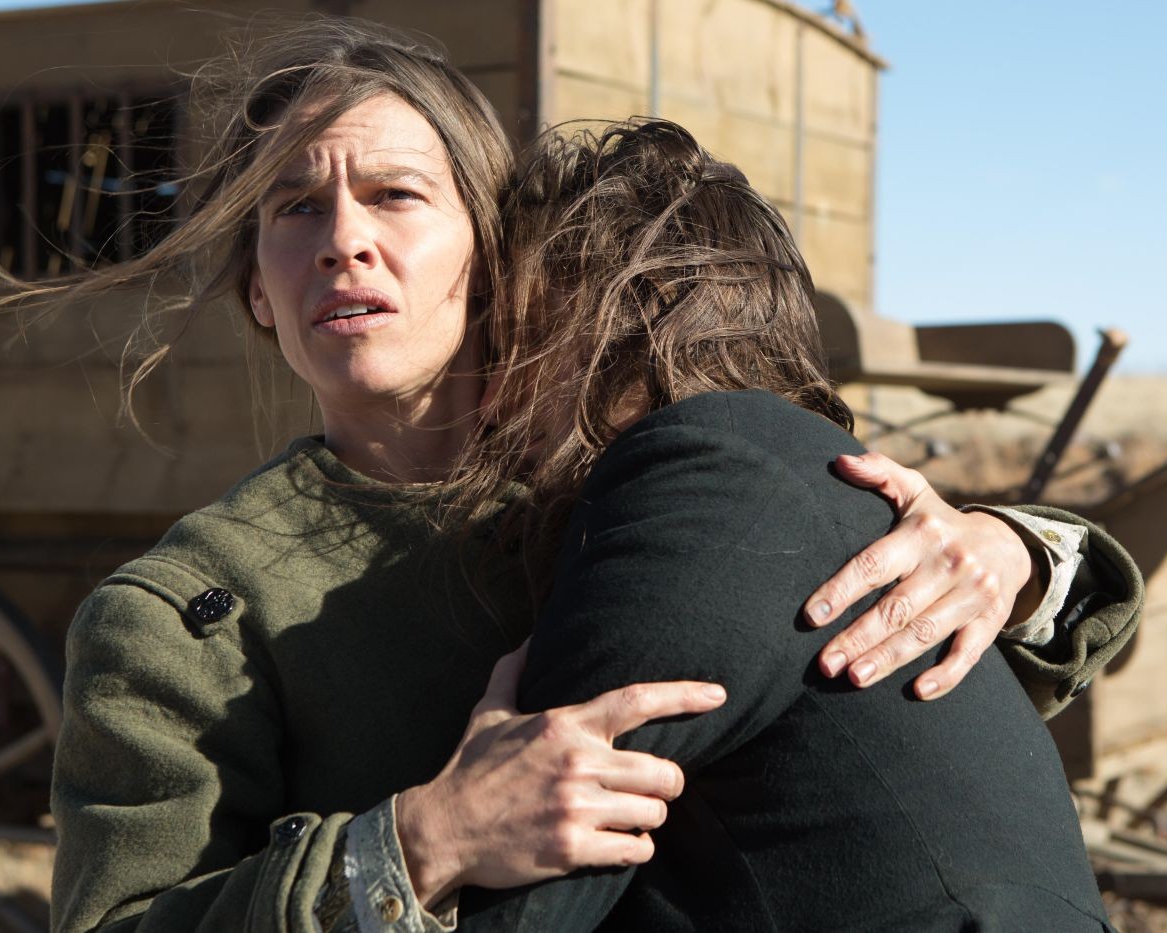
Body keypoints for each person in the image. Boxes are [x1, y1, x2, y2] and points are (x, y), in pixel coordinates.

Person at [38, 19, 1141, 932]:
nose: (341, 241)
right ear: (256, 295)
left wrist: (1010, 552)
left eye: (395, 196)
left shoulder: (644, 485)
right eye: (292, 209)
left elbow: (867, 688)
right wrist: (417, 846)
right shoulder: (181, 621)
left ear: (488, 249)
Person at [454, 118, 1122, 930]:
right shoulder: (805, 478)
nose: (491, 402)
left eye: (521, 347)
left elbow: (522, 906)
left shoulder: (700, 471)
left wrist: (431, 838)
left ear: (619, 324)